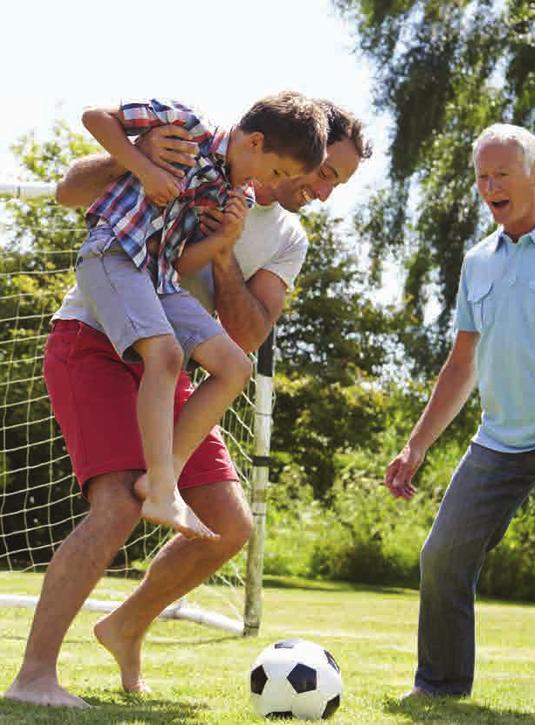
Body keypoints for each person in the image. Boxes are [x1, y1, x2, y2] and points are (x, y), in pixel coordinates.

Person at [5, 101, 370, 707]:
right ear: (286, 148)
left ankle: (124, 623)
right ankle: (35, 674)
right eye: (325, 173)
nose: (323, 190)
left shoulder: (279, 230)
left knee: (228, 527)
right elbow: (73, 191)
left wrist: (226, 251)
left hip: (170, 359)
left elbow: (246, 335)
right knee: (116, 505)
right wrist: (139, 157)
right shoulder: (204, 149)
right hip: (95, 343)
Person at [77, 93, 329, 540]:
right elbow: (95, 117)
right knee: (166, 354)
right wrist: (145, 167)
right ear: (254, 142)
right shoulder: (187, 124)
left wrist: (224, 242)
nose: (269, 184)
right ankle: (159, 487)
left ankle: (163, 478)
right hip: (114, 253)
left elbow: (180, 265)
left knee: (235, 366)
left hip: (159, 278)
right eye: (276, 172)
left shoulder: (232, 193)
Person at [384, 123, 535, 698]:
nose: (490, 187)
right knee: (442, 557)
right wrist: (416, 445)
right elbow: (462, 362)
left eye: (502, 174)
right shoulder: (478, 262)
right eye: (482, 177)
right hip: (499, 437)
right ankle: (440, 686)